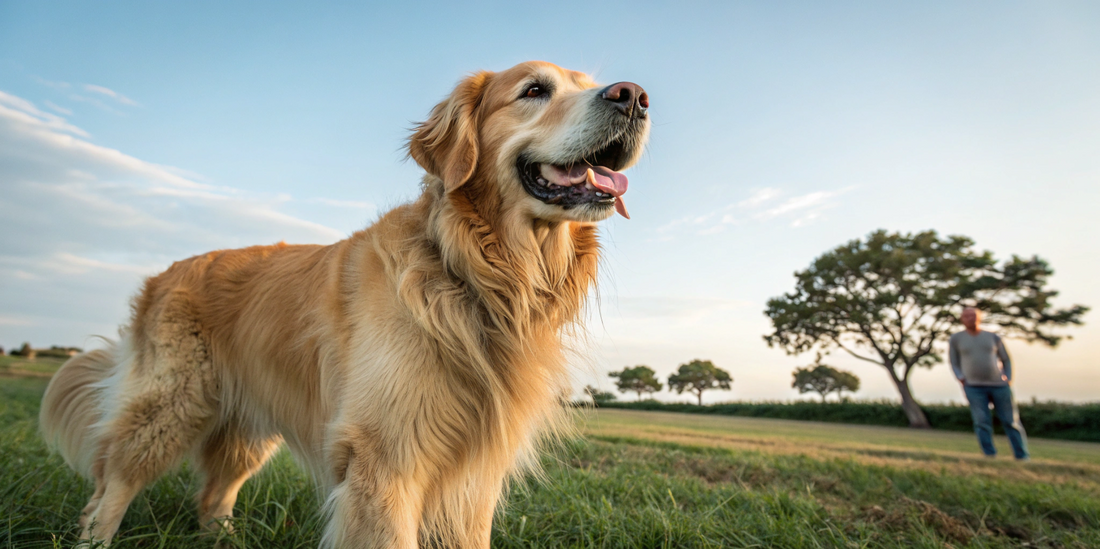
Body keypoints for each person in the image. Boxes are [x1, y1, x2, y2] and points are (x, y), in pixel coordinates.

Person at [949, 307, 1029, 460]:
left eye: (973, 316)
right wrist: (960, 377)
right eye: (967, 316)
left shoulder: (993, 337)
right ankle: (990, 455)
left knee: (1011, 421)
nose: (970, 318)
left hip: (999, 385)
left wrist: (1009, 377)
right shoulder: (956, 339)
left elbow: (1005, 359)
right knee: (981, 422)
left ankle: (1022, 456)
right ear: (962, 319)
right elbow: (954, 362)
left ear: (979, 318)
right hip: (973, 386)